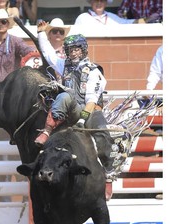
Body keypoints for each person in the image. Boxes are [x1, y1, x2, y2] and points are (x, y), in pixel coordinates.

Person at [35, 21, 125, 181]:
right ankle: (47, 130)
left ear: (83, 50)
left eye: (76, 49)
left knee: (102, 134)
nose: (73, 53)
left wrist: (82, 120)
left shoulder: (94, 71)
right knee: (64, 95)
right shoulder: (64, 65)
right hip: (71, 109)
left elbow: (91, 100)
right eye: (70, 50)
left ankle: (108, 172)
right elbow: (49, 54)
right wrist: (41, 33)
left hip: (90, 111)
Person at [74, 0, 143, 26]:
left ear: (106, 3)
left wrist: (148, 19)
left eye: (102, 1)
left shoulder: (112, 17)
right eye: (96, 1)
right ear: (91, 3)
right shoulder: (82, 18)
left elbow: (127, 23)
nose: (99, 3)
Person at [45, 18, 70, 82]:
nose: (58, 33)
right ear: (49, 34)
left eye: (61, 32)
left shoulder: (69, 51)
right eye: (55, 31)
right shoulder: (44, 50)